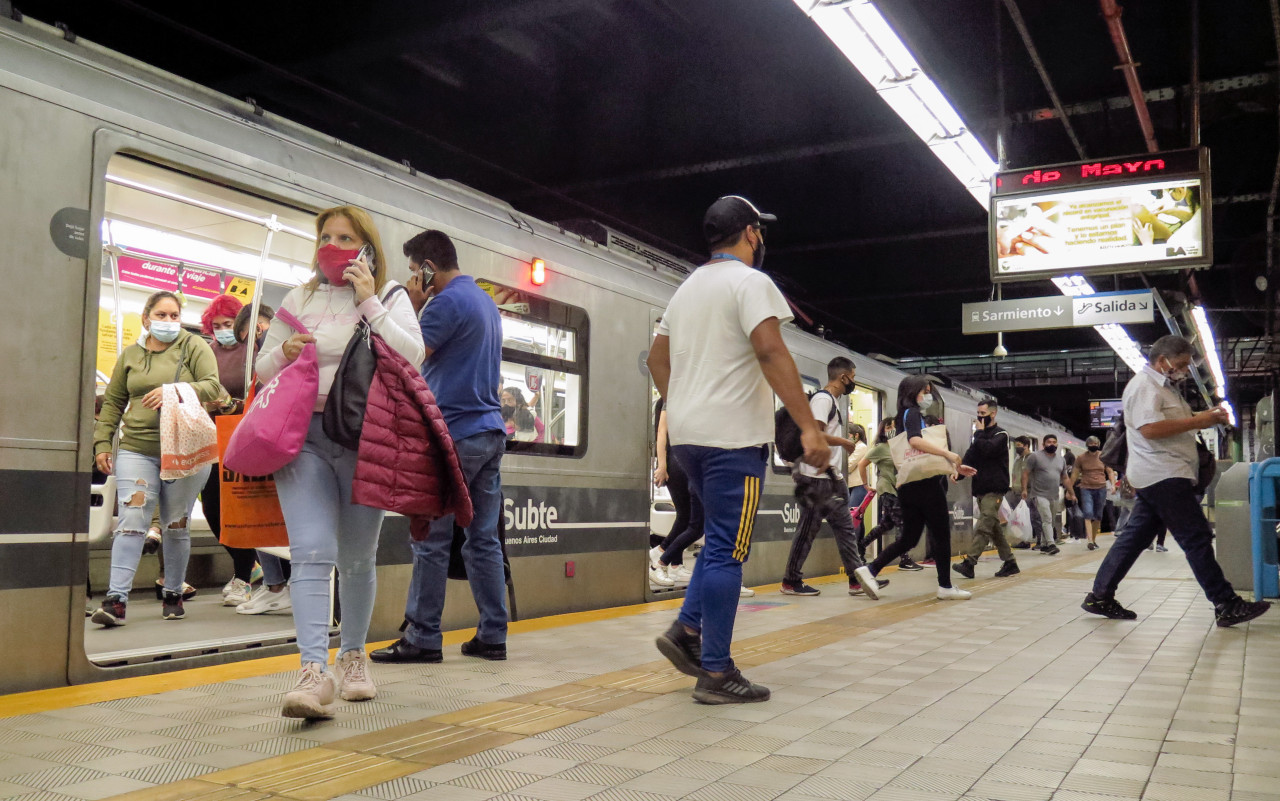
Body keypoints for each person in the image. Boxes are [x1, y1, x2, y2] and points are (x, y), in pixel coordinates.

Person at [649, 195, 830, 704]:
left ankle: (687, 629)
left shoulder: (686, 289)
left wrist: (685, 401)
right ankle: (717, 671)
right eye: (760, 232)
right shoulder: (751, 282)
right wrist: (809, 428)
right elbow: (771, 350)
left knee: (717, 538)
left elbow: (657, 359)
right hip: (732, 441)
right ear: (752, 233)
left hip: (688, 438)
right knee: (730, 548)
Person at [257, 206, 425, 718]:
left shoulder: (390, 296)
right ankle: (313, 672)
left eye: (345, 237)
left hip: (365, 438)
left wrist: (368, 298)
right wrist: (284, 351)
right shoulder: (297, 298)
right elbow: (262, 370)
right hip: (302, 438)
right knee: (311, 549)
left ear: (367, 247)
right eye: (325, 236)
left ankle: (353, 655)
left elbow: (412, 356)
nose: (332, 244)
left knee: (356, 556)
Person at [371, 229, 509, 666]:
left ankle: (423, 636)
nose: (414, 279)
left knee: (431, 538)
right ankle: (492, 634)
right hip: (488, 432)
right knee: (482, 540)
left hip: (455, 432)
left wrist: (410, 309)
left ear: (429, 268)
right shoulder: (484, 300)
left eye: (415, 271)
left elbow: (408, 355)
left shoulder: (445, 304)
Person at [1084, 335, 1270, 627]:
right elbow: (1149, 429)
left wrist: (1203, 416)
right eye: (1181, 364)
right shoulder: (1145, 386)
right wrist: (1198, 421)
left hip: (1162, 473)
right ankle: (1226, 603)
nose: (1184, 370)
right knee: (1196, 536)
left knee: (1135, 538)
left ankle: (1100, 595)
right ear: (1163, 361)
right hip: (1162, 474)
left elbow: (1169, 423)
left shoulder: (1164, 388)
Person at [91, 291, 224, 626]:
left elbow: (213, 386)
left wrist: (171, 391)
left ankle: (174, 591)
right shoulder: (130, 356)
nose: (168, 322)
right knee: (131, 521)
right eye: (161, 315)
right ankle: (117, 599)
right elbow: (113, 403)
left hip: (185, 451)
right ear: (146, 318)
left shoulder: (194, 347)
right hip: (137, 448)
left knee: (175, 525)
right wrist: (102, 443)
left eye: (174, 316)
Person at [863, 376, 976, 600]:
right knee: (941, 534)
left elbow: (917, 454)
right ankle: (945, 586)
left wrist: (952, 467)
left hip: (909, 485)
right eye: (924, 392)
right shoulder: (912, 413)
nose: (927, 396)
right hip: (925, 485)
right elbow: (915, 442)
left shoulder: (899, 417)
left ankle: (870, 570)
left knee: (909, 538)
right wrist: (948, 454)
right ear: (914, 392)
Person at [781, 357, 882, 598]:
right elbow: (815, 432)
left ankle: (857, 579)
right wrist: (845, 442)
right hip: (815, 477)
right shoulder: (823, 399)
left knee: (846, 529)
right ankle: (790, 580)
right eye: (853, 377)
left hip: (831, 477)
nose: (853, 382)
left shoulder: (832, 401)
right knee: (808, 530)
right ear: (843, 377)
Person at [229, 302, 293, 616]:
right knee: (262, 508)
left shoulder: (281, 346)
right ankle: (276, 583)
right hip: (277, 434)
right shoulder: (272, 354)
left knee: (265, 508)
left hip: (281, 435)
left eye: (254, 334)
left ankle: (279, 585)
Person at [197, 293, 259, 608]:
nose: (221, 330)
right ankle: (250, 565)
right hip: (213, 436)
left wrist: (234, 403)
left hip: (246, 435)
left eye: (227, 324)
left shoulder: (254, 351)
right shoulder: (206, 352)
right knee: (212, 507)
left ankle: (242, 577)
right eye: (216, 325)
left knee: (243, 508)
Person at [954, 399, 1019, 579]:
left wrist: (980, 434)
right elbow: (971, 456)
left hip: (995, 488)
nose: (980, 417)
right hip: (980, 488)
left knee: (984, 525)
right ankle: (1010, 562)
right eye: (978, 414)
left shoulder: (1001, 435)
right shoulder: (979, 436)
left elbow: (988, 450)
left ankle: (970, 563)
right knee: (994, 527)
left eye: (983, 414)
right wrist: (958, 474)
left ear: (993, 413)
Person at [857, 418, 924, 572]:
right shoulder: (880, 448)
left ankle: (861, 545)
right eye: (889, 427)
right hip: (886, 489)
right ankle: (904, 559)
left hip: (896, 490)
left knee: (886, 524)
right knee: (902, 523)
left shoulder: (898, 447)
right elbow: (862, 464)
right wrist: (866, 485)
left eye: (894, 426)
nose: (892, 429)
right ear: (883, 429)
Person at [1021, 434, 1073, 555]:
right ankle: (1051, 543)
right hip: (1039, 494)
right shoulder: (1035, 457)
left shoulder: (1061, 460)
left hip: (1054, 495)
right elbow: (1025, 473)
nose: (1052, 444)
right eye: (1049, 442)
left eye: (1054, 442)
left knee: (1051, 520)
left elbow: (1065, 478)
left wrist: (1071, 492)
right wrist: (1024, 489)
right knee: (1047, 518)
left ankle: (1044, 544)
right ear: (1043, 444)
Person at [1072, 436, 1115, 552]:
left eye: (1096, 443)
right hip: (1086, 488)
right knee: (1088, 513)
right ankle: (1090, 541)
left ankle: (1094, 540)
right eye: (1091, 443)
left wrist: (1113, 485)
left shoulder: (1104, 456)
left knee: (1098, 516)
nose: (1093, 445)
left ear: (1099, 444)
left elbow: (1110, 471)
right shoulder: (1080, 458)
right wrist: (1069, 490)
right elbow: (1075, 473)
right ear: (1087, 445)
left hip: (1101, 488)